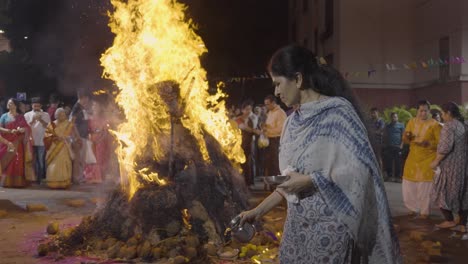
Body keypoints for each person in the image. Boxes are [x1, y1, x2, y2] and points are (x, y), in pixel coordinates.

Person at [240, 45, 401, 263]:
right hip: (297, 229)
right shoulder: (292, 123)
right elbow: (288, 184)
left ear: (297, 79)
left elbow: (361, 174)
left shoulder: (337, 115)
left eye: (278, 84)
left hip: (331, 231)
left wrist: (311, 181)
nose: (276, 92)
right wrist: (256, 212)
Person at [430, 102, 468, 230]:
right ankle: (462, 223)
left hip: (450, 166)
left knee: (441, 191)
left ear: (449, 113)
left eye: (442, 113)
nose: (441, 115)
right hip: (463, 165)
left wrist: (435, 161)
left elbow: (445, 147)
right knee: (463, 193)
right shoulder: (463, 125)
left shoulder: (448, 126)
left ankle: (449, 220)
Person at [402, 100, 442, 219]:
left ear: (429, 111)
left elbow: (440, 143)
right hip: (413, 158)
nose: (423, 113)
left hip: (428, 158)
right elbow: (405, 139)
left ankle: (424, 211)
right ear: (417, 111)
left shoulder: (434, 124)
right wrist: (407, 137)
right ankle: (412, 208)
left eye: (425, 111)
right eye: (421, 111)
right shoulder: (411, 122)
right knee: (409, 184)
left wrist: (428, 143)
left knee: (425, 186)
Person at [44, 108, 77, 189]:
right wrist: (55, 138)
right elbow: (47, 136)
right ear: (56, 116)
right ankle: (52, 183)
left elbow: (73, 136)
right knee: (53, 165)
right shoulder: (51, 124)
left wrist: (68, 139)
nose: (61, 116)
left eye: (63, 115)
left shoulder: (69, 124)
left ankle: (64, 183)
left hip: (65, 146)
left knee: (64, 163)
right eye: (59, 115)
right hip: (53, 147)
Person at [0, 98, 29, 188]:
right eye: (8, 103)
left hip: (17, 142)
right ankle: (5, 182)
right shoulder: (4, 116)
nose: (9, 105)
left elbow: (26, 128)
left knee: (17, 162)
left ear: (15, 105)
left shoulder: (20, 117)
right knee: (5, 160)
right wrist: (9, 131)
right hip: (6, 142)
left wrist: (21, 129)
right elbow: (0, 128)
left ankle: (17, 182)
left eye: (11, 103)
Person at [83, 99, 111, 183]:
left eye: (96, 105)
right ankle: (92, 176)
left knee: (99, 159)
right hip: (92, 140)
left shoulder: (103, 119)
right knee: (92, 158)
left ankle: (99, 176)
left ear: (100, 107)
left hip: (101, 141)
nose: (94, 107)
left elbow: (106, 131)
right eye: (93, 105)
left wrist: (100, 139)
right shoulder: (89, 118)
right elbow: (87, 130)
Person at [24, 97, 51, 184]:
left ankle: (40, 179)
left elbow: (48, 127)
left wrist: (41, 120)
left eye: (38, 106)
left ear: (41, 106)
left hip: (41, 141)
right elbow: (25, 127)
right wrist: (33, 120)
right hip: (31, 141)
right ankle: (32, 178)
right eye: (34, 106)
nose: (36, 107)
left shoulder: (46, 114)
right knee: (31, 160)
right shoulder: (27, 115)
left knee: (40, 161)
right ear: (32, 105)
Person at [235, 100, 260, 187]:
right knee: (242, 162)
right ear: (242, 110)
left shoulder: (253, 118)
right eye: (246, 109)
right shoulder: (238, 119)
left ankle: (250, 181)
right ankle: (244, 181)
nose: (249, 111)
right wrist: (253, 130)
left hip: (250, 143)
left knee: (250, 161)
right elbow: (243, 127)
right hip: (241, 143)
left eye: (250, 109)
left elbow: (255, 127)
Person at [262, 94, 286, 177]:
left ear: (273, 103)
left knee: (275, 162)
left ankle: (276, 183)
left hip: (276, 140)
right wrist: (265, 127)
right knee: (269, 162)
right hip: (269, 141)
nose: (266, 106)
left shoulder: (280, 113)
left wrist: (268, 131)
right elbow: (271, 125)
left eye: (268, 104)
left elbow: (281, 129)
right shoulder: (270, 112)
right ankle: (270, 182)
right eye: (265, 104)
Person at [70, 90, 91, 183]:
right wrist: (77, 137)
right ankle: (76, 178)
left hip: (83, 136)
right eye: (87, 98)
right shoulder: (76, 108)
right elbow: (72, 123)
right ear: (83, 98)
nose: (88, 100)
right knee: (78, 159)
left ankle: (79, 177)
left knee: (81, 159)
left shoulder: (81, 108)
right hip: (79, 137)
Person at [383, 112, 405, 182]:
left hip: (398, 146)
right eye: (393, 117)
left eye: (395, 117)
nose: (394, 118)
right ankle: (390, 176)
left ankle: (397, 177)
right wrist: (385, 144)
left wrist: (401, 145)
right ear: (391, 118)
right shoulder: (388, 126)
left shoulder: (401, 125)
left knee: (398, 162)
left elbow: (403, 136)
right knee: (389, 162)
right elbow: (385, 135)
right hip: (389, 146)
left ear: (397, 118)